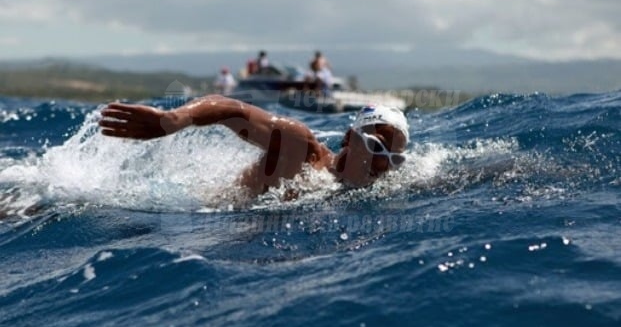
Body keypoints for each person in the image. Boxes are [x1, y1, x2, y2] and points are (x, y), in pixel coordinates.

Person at [98, 96, 409, 196]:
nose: (383, 165)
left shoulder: (379, 189)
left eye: (395, 160)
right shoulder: (299, 149)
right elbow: (230, 109)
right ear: (348, 139)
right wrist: (173, 120)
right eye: (376, 147)